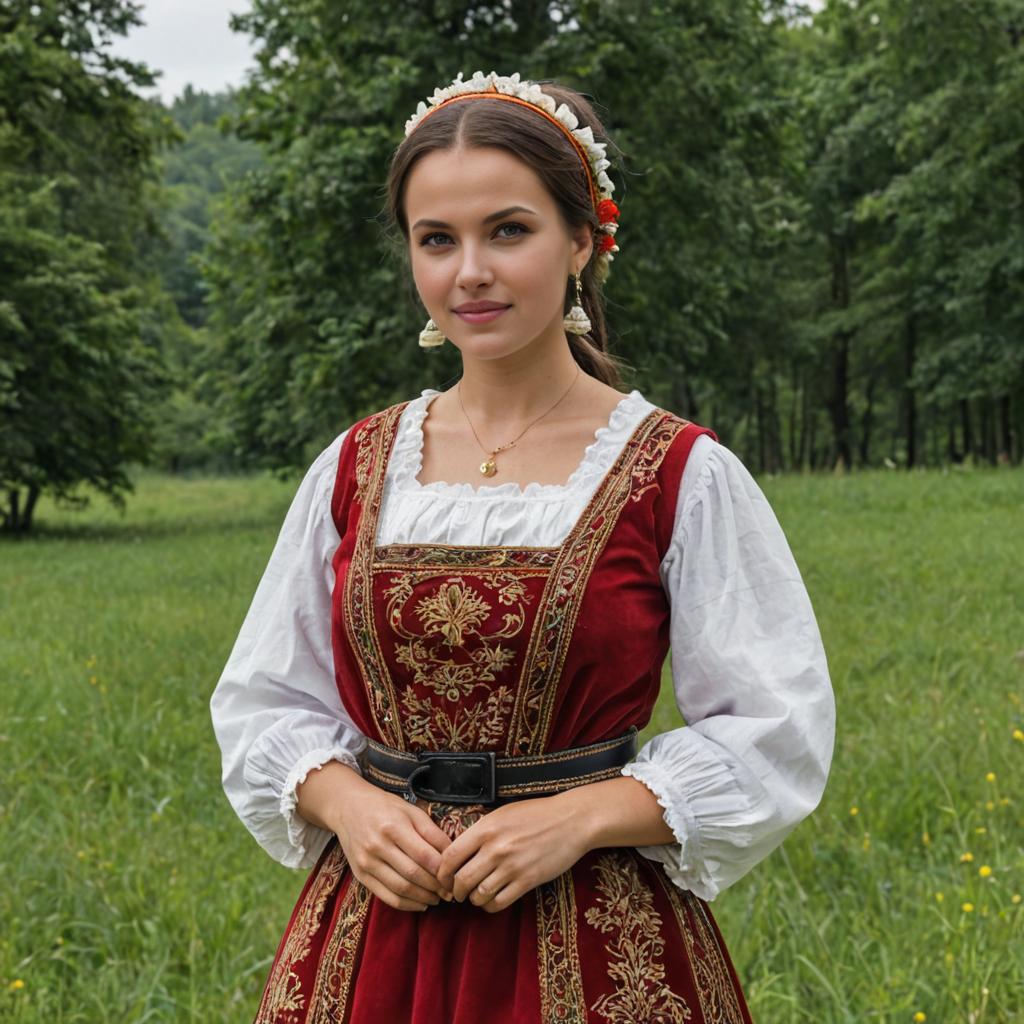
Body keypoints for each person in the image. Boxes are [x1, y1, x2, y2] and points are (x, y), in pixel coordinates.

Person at [209, 69, 836, 1023]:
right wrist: (349, 806)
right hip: (378, 930)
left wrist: (581, 815)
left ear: (582, 240)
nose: (470, 271)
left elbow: (774, 726)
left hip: (597, 930)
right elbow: (265, 698)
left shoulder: (678, 473)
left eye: (509, 230)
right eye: (437, 240)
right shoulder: (355, 467)